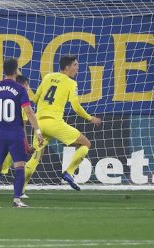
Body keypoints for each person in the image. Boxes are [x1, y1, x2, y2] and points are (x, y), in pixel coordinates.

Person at [23, 55, 102, 191]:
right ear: (67, 67)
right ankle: (68, 172)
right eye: (75, 65)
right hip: (55, 124)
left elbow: (35, 99)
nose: (78, 67)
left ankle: (20, 190)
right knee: (86, 144)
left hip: (39, 124)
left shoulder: (47, 77)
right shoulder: (71, 83)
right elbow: (76, 107)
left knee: (36, 157)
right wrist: (90, 118)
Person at [0, 58, 43, 208]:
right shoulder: (20, 89)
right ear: (16, 71)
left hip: (0, 134)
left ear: (4, 70)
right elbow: (28, 112)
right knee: (19, 166)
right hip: (15, 134)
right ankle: (17, 199)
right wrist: (38, 131)